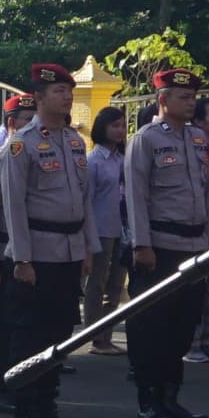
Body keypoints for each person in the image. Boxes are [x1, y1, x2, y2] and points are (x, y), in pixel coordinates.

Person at [0, 73, 99, 418]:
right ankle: (26, 409)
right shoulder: (21, 145)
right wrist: (22, 259)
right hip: (37, 253)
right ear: (40, 98)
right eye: (60, 91)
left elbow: (83, 200)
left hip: (69, 251)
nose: (67, 97)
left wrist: (87, 249)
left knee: (60, 333)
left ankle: (48, 405)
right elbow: (13, 206)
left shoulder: (75, 142)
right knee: (31, 335)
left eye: (70, 91)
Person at [118, 70, 209, 418]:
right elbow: (135, 196)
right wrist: (141, 244)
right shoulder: (145, 140)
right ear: (163, 100)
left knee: (182, 326)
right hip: (160, 246)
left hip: (194, 244)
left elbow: (205, 193)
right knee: (152, 327)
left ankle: (170, 398)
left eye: (193, 95)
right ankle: (149, 402)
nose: (191, 101)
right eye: (182, 96)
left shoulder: (196, 138)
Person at [83, 102, 133, 331]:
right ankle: (93, 331)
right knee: (97, 283)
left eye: (123, 125)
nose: (120, 130)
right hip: (100, 230)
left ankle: (107, 334)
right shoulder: (93, 161)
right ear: (102, 128)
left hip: (122, 230)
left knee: (116, 284)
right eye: (114, 125)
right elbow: (88, 200)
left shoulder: (124, 159)